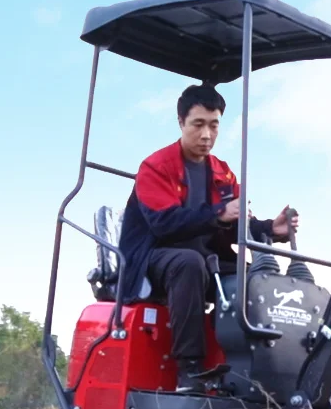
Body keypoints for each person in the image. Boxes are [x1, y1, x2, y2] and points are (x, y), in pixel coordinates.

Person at [118, 84, 298, 392]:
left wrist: (270, 229)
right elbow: (163, 225)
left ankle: (254, 371)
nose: (206, 135)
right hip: (153, 259)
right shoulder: (155, 167)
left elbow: (237, 221)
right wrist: (217, 214)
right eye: (198, 124)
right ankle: (189, 371)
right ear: (181, 122)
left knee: (254, 279)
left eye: (213, 125)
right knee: (189, 263)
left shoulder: (223, 173)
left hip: (206, 261)